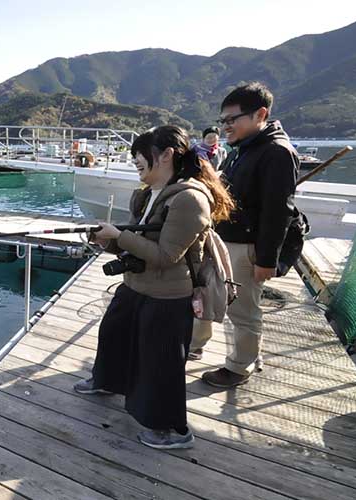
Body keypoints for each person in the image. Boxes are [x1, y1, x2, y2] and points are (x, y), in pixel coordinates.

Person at [72, 125, 235, 449]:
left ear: (166, 155)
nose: (134, 160)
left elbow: (164, 256)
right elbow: (138, 242)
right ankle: (107, 382)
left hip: (167, 296)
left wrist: (119, 236)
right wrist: (108, 240)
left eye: (139, 154)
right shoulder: (150, 194)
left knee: (160, 362)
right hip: (135, 285)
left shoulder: (190, 199)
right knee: (114, 334)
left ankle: (172, 430)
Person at [191, 83, 299, 388]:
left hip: (246, 246)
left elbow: (279, 212)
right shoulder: (245, 147)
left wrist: (266, 260)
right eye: (223, 120)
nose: (225, 127)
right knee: (206, 294)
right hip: (225, 241)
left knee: (243, 311)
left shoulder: (276, 152)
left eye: (232, 120)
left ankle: (240, 367)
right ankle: (195, 345)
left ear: (260, 114)